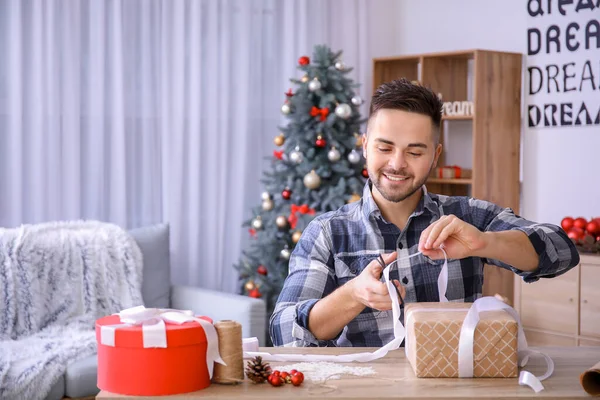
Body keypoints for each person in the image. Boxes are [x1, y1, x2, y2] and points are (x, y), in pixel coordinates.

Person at [269, 78, 580, 347]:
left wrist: (485, 242)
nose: (397, 164)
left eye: (415, 152)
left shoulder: (467, 216)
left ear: (435, 155)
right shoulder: (327, 233)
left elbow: (561, 250)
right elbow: (284, 333)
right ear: (364, 146)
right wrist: (352, 295)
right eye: (384, 148)